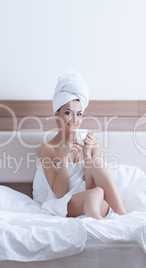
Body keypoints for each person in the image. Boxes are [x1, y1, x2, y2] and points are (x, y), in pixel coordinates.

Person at [32, 69, 126, 219]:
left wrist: (87, 155)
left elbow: (93, 184)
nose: (75, 120)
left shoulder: (91, 141)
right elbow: (60, 193)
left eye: (79, 114)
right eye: (68, 113)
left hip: (93, 197)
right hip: (66, 202)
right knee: (95, 194)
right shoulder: (48, 150)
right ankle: (96, 220)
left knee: (97, 187)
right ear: (57, 114)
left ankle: (123, 216)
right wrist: (63, 158)